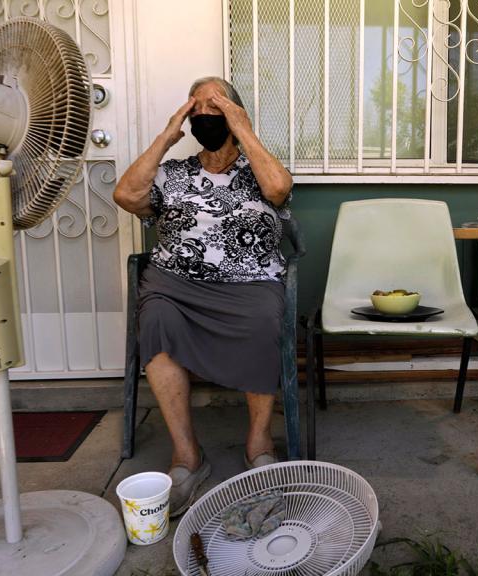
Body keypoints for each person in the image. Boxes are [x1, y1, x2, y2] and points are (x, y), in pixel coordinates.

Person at [113, 77, 293, 516]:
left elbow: (279, 190)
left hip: (249, 282)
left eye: (217, 108)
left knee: (263, 319)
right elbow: (126, 195)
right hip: (176, 284)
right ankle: (188, 457)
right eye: (198, 111)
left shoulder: (260, 171)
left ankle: (258, 443)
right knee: (154, 317)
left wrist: (242, 127)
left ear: (236, 114)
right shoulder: (173, 174)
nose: (205, 117)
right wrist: (168, 133)